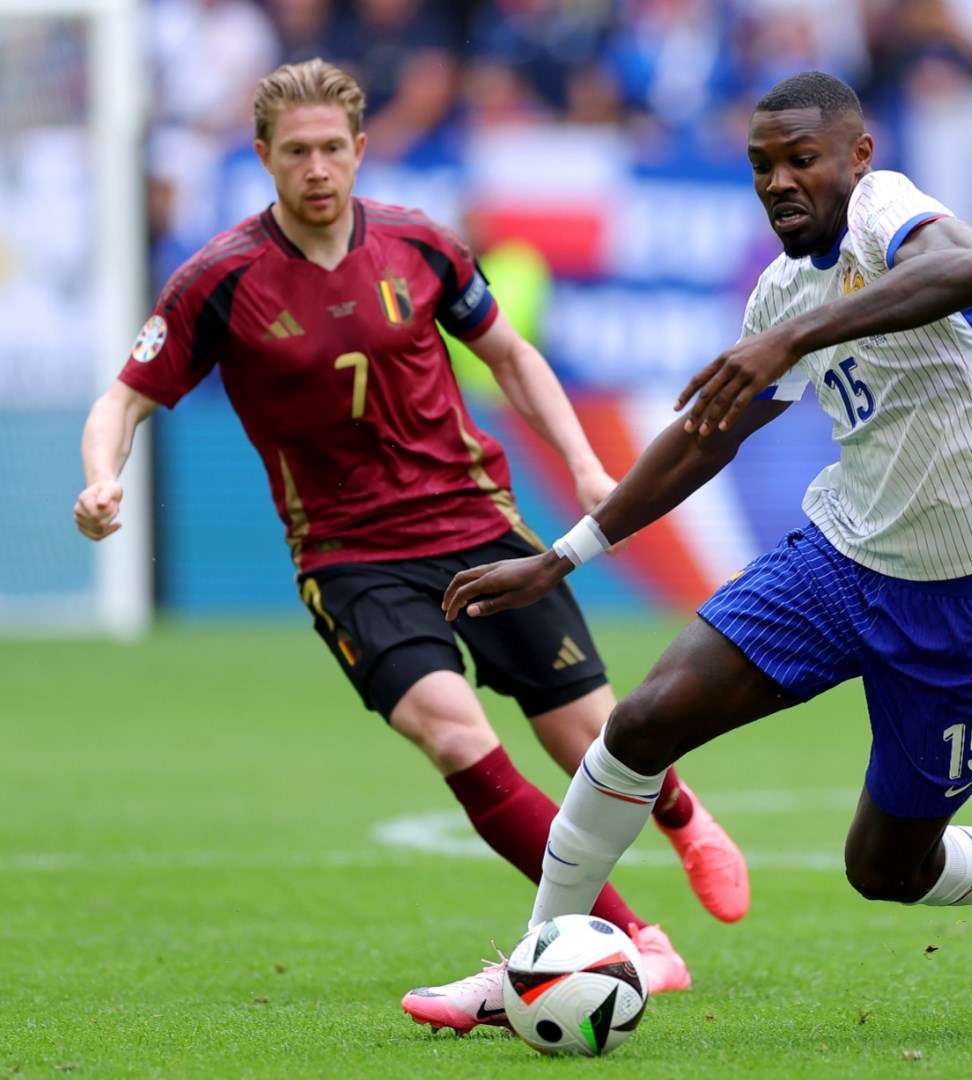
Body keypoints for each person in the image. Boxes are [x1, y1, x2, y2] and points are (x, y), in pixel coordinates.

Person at [416, 72, 972, 1006]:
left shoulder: (890, 213)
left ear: (858, 157)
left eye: (803, 159)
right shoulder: (781, 291)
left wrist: (794, 342)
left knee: (885, 867)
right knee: (641, 723)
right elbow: (704, 436)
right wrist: (565, 553)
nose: (780, 181)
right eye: (763, 165)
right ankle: (531, 965)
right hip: (841, 563)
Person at [72, 59, 749, 1032]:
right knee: (453, 732)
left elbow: (511, 357)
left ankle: (685, 821)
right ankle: (634, 937)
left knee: (591, 739)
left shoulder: (420, 245)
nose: (316, 169)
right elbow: (124, 399)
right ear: (263, 157)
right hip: (349, 558)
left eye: (332, 149)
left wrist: (587, 468)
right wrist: (103, 476)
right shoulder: (219, 280)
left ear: (360, 150)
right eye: (295, 151)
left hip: (478, 526)